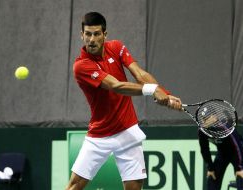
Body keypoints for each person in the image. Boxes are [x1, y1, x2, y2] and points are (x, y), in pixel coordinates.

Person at [66, 12, 182, 190]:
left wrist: (164, 93)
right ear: (81, 35)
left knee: (135, 186)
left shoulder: (116, 47)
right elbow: (116, 86)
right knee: (75, 185)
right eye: (87, 34)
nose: (91, 39)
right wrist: (152, 90)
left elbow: (139, 74)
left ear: (105, 34)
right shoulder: (81, 66)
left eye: (96, 34)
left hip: (127, 129)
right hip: (99, 135)